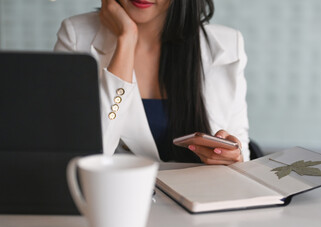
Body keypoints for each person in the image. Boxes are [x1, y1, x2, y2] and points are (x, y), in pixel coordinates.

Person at [54, 0, 249, 164]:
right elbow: (86, 160)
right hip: (115, 202)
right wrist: (126, 39)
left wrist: (232, 158)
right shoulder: (76, 37)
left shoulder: (229, 45)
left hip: (199, 203)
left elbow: (243, 159)